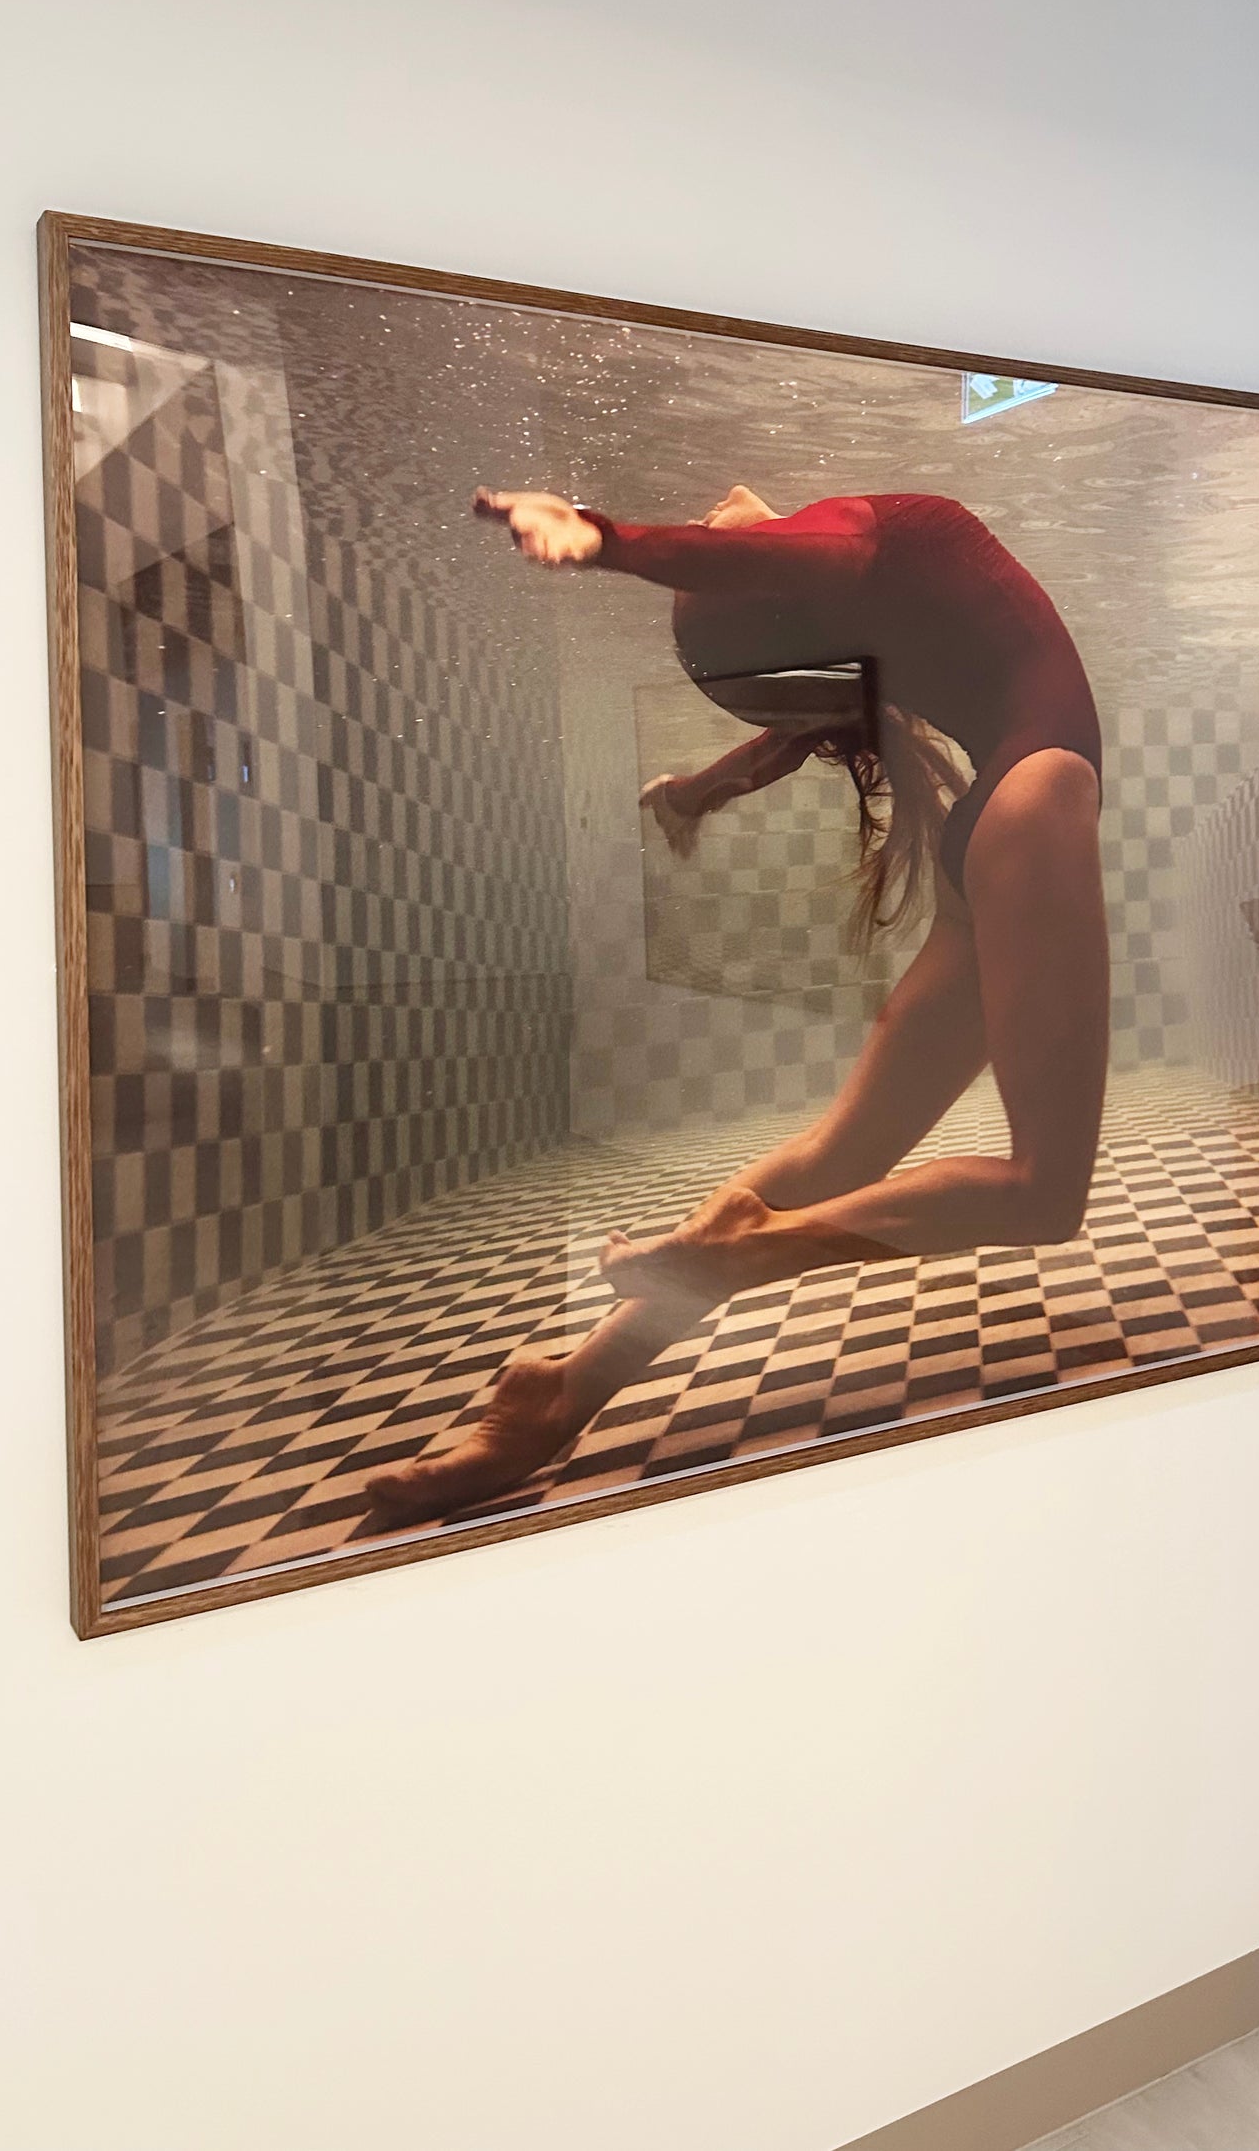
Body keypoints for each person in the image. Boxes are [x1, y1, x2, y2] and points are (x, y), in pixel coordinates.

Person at [365, 481, 1108, 1521]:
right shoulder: (880, 533)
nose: (715, 502)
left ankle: (560, 1391)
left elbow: (798, 725)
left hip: (990, 820)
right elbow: (781, 565)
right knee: (1041, 1191)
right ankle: (744, 1247)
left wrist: (704, 786)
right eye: (718, 534)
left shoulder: (876, 600)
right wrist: (609, 539)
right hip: (1030, 797)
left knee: (834, 1156)